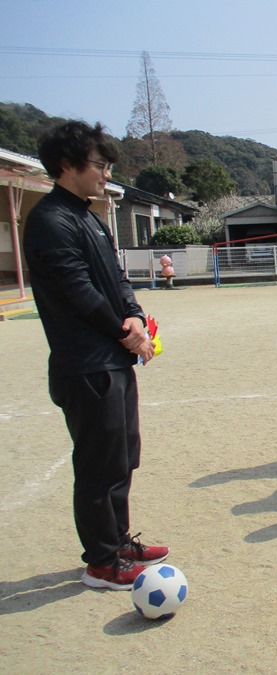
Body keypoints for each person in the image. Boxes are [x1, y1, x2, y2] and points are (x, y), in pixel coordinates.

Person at [23, 120, 168, 591]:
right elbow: (79, 292)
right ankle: (102, 563)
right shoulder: (50, 220)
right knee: (97, 467)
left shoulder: (90, 217)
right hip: (86, 365)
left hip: (112, 360)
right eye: (99, 165)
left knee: (122, 459)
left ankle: (119, 542)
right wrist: (125, 334)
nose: (107, 174)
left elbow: (116, 280)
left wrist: (135, 316)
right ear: (67, 166)